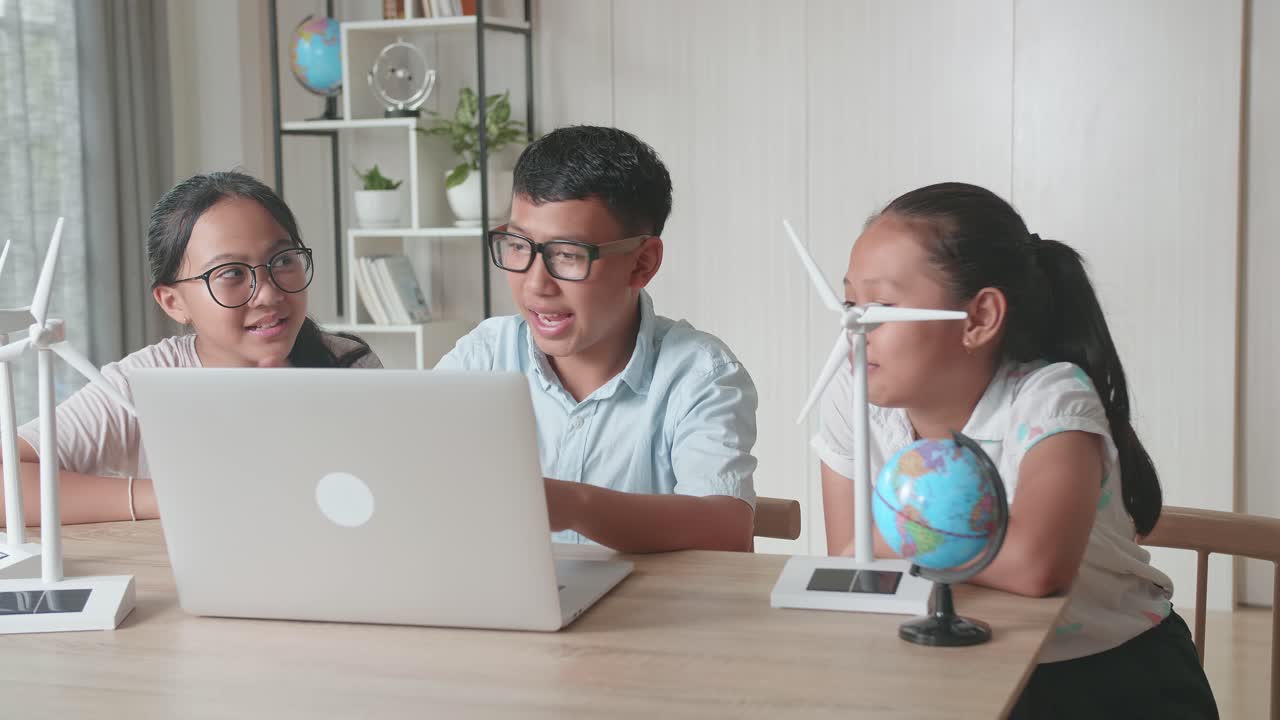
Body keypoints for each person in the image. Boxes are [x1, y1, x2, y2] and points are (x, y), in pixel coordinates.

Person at [813, 181, 1217, 717]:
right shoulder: (851, 394)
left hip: (1106, 679)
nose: (852, 329)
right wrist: (879, 550)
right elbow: (850, 556)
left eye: (881, 307)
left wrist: (886, 543)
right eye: (849, 304)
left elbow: (1035, 567)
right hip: (955, 663)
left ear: (979, 318)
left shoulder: (1051, 399)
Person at [436, 125, 758, 553]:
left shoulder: (700, 374)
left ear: (642, 263)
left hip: (650, 616)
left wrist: (572, 505)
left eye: (567, 255)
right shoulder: (485, 354)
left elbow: (727, 528)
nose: (535, 285)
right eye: (518, 245)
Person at [0, 171, 381, 527]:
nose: (268, 293)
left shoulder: (346, 364)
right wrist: (167, 497)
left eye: (282, 260)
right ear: (173, 302)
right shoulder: (144, 383)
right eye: (231, 273)